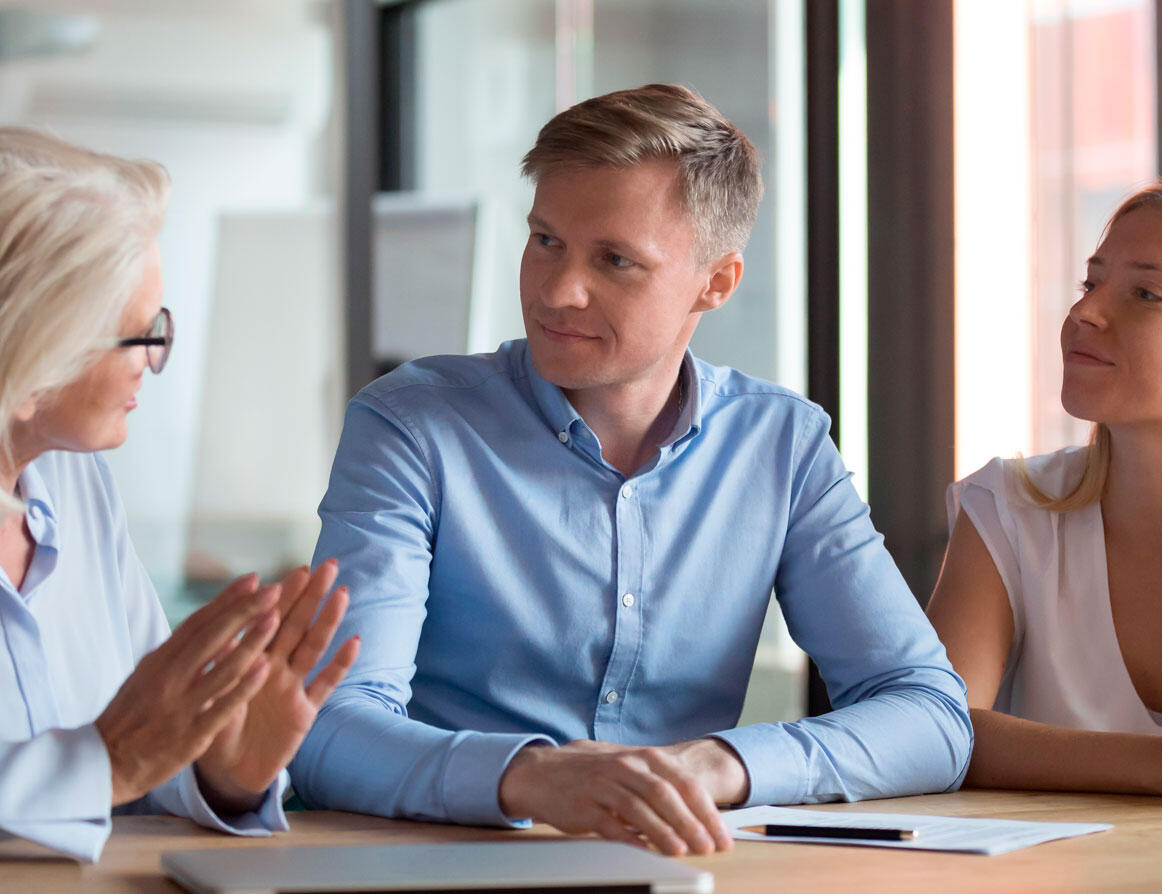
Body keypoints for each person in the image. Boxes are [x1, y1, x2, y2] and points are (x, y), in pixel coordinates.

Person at [292, 84, 972, 855]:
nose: (556, 291)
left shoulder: (781, 445)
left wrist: (716, 764)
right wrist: (533, 777)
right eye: (545, 240)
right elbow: (325, 727)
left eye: (614, 260)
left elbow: (928, 715)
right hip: (441, 865)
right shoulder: (411, 425)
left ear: (715, 283)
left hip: (679, 863)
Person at [0, 127, 361, 862]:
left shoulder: (75, 482)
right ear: (32, 346)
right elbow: (115, 756)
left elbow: (143, 742)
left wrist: (221, 766)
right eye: (139, 336)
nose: (155, 362)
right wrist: (108, 761)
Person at [927, 180, 1162, 796]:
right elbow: (936, 729)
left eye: (1145, 293)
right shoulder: (1011, 506)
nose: (1084, 313)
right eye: (1090, 282)